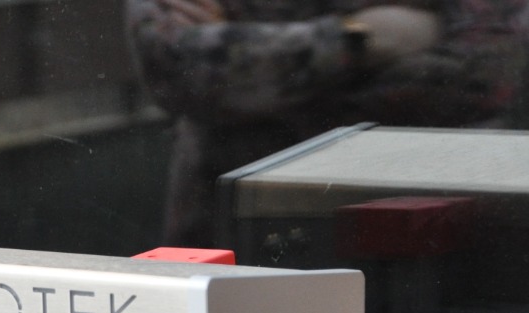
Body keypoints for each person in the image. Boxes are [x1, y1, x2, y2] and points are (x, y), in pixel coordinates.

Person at [127, 0, 526, 243]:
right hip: (235, 233)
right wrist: (356, 38)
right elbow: (178, 69)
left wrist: (260, 70)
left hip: (429, 237)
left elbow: (489, 71)